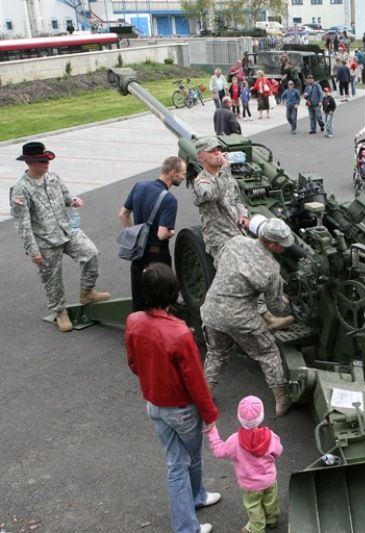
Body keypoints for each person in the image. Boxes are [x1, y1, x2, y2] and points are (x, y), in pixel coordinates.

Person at [125, 263, 219, 533]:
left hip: (155, 404)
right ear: (173, 293)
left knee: (176, 460)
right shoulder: (179, 333)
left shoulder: (134, 322)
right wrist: (210, 415)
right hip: (183, 410)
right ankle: (188, 522)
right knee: (184, 462)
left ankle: (197, 499)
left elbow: (133, 363)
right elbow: (196, 381)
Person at [10, 141, 110, 332]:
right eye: (42, 161)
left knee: (90, 253)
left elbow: (65, 197)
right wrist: (33, 250)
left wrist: (73, 201)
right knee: (52, 279)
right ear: (30, 163)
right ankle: (60, 311)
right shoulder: (20, 189)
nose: (47, 164)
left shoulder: (52, 177)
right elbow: (22, 224)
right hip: (45, 241)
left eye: (47, 160)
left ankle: (87, 292)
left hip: (66, 231)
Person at [201, 218, 295, 416]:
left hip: (211, 309)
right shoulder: (271, 268)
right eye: (282, 244)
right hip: (240, 318)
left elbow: (220, 264)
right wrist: (289, 305)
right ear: (271, 244)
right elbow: (275, 306)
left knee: (217, 353)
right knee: (267, 353)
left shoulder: (235, 242)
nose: (285, 247)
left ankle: (205, 394)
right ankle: (282, 400)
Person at [118, 156, 186, 312]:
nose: (183, 177)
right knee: (163, 300)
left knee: (139, 299)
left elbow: (123, 214)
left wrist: (134, 234)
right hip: (157, 257)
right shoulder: (169, 199)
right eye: (182, 173)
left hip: (138, 253)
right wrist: (172, 231)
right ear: (173, 173)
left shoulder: (139, 185)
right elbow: (162, 234)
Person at [207, 396, 283, 533]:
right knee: (270, 501)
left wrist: (213, 432)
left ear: (239, 417)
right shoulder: (271, 436)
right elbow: (278, 452)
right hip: (269, 479)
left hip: (249, 485)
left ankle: (257, 528)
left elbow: (219, 451)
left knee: (254, 507)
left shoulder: (234, 440)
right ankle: (272, 520)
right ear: (261, 416)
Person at [190, 137, 249, 263]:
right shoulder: (201, 182)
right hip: (219, 239)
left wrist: (243, 215)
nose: (217, 153)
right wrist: (225, 169)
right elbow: (214, 194)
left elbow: (237, 199)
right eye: (212, 151)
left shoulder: (226, 177)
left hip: (237, 233)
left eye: (218, 149)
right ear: (201, 157)